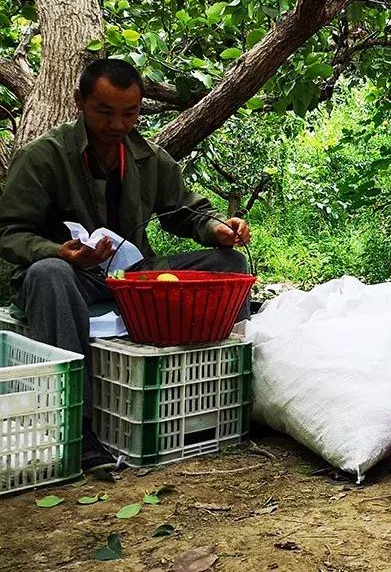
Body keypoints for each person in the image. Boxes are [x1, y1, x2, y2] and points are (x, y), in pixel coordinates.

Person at [0, 58, 252, 471]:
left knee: (229, 264)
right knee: (50, 274)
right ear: (79, 101)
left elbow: (185, 212)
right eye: (105, 111)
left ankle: (222, 396)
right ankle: (78, 430)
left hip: (130, 278)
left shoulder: (149, 158)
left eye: (130, 113)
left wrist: (218, 229)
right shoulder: (43, 157)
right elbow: (8, 231)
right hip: (69, 278)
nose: (118, 124)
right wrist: (57, 251)